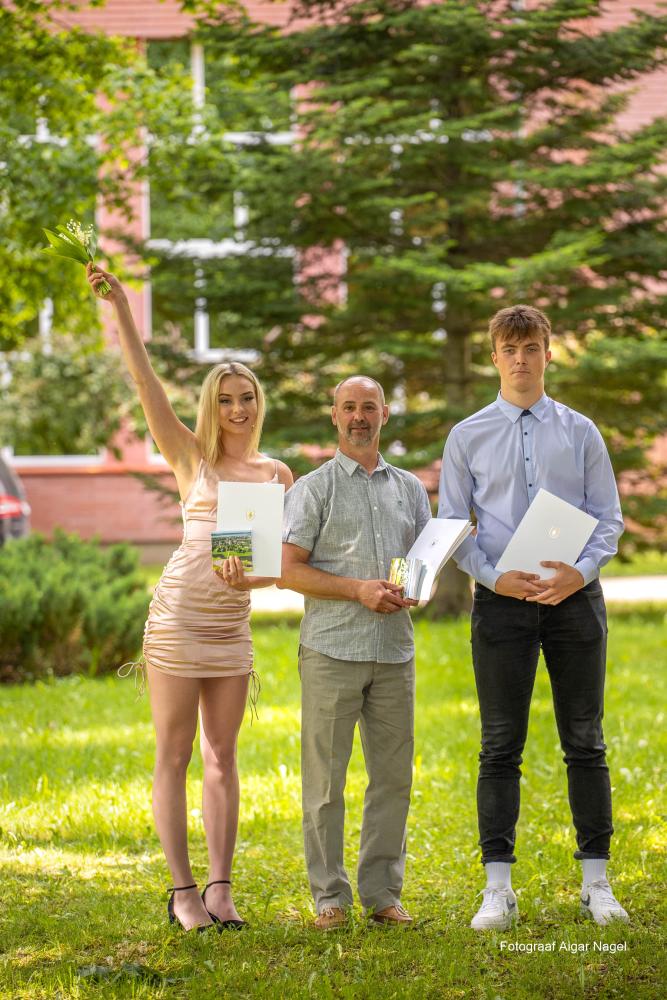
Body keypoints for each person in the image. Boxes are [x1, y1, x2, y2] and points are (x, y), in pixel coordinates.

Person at [87, 263, 293, 932]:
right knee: (173, 755)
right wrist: (121, 306)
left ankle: (221, 889)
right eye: (227, 398)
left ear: (259, 404)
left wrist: (251, 579)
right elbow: (145, 382)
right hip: (176, 621)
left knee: (222, 758)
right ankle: (181, 893)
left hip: (230, 628)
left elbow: (273, 566)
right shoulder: (189, 456)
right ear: (212, 405)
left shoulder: (273, 474)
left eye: (247, 397)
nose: (238, 408)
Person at [438, 304, 628, 930]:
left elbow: (608, 517)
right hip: (501, 606)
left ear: (549, 353)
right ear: (493, 357)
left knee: (586, 740)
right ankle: (498, 890)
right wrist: (495, 576)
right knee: (499, 745)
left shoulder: (580, 432)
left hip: (574, 603)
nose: (520, 359)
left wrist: (582, 571)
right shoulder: (467, 436)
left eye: (531, 348)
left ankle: (595, 881)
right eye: (509, 349)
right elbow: (453, 527)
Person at [279, 375, 431, 930]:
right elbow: (287, 571)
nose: (359, 416)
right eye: (349, 407)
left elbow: (417, 563)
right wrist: (357, 589)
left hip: (394, 652)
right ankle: (329, 899)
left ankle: (382, 895)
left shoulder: (410, 489)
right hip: (331, 650)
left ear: (385, 414)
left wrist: (411, 585)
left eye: (369, 407)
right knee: (325, 783)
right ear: (334, 416)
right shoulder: (314, 489)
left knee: (392, 779)